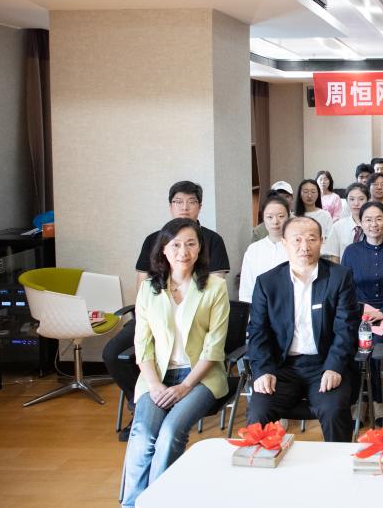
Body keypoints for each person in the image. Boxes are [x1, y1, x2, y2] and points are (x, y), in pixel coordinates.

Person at [105, 180, 229, 441]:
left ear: (200, 206)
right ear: (170, 206)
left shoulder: (212, 240)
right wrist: (147, 319)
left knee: (170, 431)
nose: (185, 207)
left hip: (196, 317)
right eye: (178, 202)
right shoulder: (154, 239)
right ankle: (142, 403)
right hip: (156, 315)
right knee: (113, 353)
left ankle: (158, 407)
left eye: (191, 202)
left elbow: (213, 286)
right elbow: (143, 284)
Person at [121, 218, 229, 507]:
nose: (184, 251)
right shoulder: (149, 289)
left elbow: (214, 348)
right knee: (143, 434)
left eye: (191, 244)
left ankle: (158, 500)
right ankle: (131, 503)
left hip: (199, 377)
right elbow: (142, 343)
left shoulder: (215, 287)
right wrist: (154, 385)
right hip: (156, 375)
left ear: (200, 249)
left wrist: (184, 387)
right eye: (176, 245)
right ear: (164, 250)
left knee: (170, 433)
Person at [246, 217, 359, 441]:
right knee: (258, 412)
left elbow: (346, 329)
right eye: (297, 240)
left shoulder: (339, 277)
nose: (304, 246)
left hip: (324, 363)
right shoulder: (267, 282)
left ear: (321, 241)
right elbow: (258, 332)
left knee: (334, 410)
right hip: (281, 367)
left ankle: (340, 462)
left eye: (311, 239)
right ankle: (257, 462)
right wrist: (263, 370)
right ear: (284, 243)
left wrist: (334, 367)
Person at [341, 201, 383, 319]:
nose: (374, 224)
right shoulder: (351, 251)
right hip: (359, 313)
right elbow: (345, 289)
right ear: (361, 223)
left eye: (379, 219)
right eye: (368, 220)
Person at [239, 196, 290, 302]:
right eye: (269, 217)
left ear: (288, 217)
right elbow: (246, 290)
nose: (275, 221)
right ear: (263, 218)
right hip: (260, 307)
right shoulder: (253, 250)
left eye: (281, 216)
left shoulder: (297, 247)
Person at [322, 183, 373, 263]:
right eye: (352, 199)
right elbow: (333, 255)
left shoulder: (377, 225)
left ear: (368, 200)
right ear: (347, 201)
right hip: (345, 269)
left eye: (361, 199)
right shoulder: (338, 226)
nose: (356, 203)